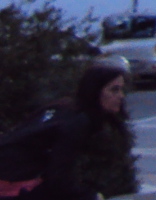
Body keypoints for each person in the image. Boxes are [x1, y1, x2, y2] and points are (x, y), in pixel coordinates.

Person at [0, 62, 130, 200]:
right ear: (95, 91)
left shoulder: (64, 108)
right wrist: (89, 195)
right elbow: (59, 179)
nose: (121, 96)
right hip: (13, 182)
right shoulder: (77, 122)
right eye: (114, 90)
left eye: (121, 90)